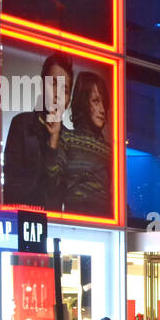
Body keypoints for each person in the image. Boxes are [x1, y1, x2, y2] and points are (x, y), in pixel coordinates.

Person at [3, 51, 71, 209]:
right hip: (22, 221)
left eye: (65, 90)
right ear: (42, 85)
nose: (58, 95)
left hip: (55, 226)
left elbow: (59, 196)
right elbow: (13, 188)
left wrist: (54, 142)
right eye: (53, 84)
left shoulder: (69, 140)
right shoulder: (21, 125)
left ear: (68, 101)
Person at [51, 70, 112, 215]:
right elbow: (53, 181)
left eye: (104, 102)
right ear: (84, 102)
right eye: (96, 101)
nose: (102, 110)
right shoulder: (67, 139)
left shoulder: (110, 151)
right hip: (76, 222)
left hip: (105, 223)